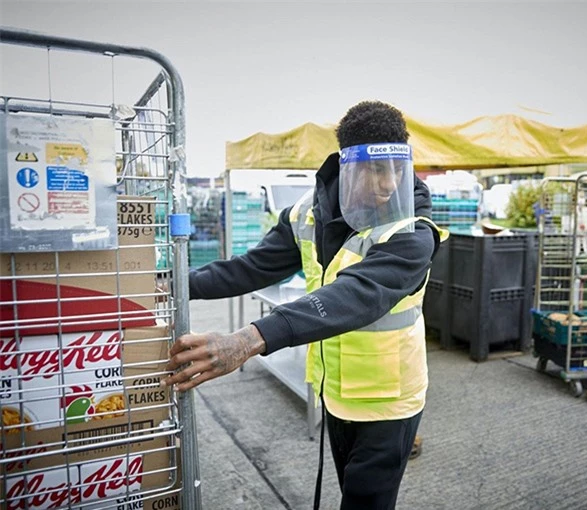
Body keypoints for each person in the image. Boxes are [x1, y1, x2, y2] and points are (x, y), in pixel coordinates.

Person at [162, 101, 448, 509]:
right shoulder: (306, 214)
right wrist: (173, 285)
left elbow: (357, 293)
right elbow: (252, 268)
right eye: (376, 168)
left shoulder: (413, 230)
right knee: (351, 489)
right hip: (336, 391)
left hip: (390, 399)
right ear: (346, 164)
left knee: (366, 502)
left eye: (397, 168)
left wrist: (249, 339)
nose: (389, 183)